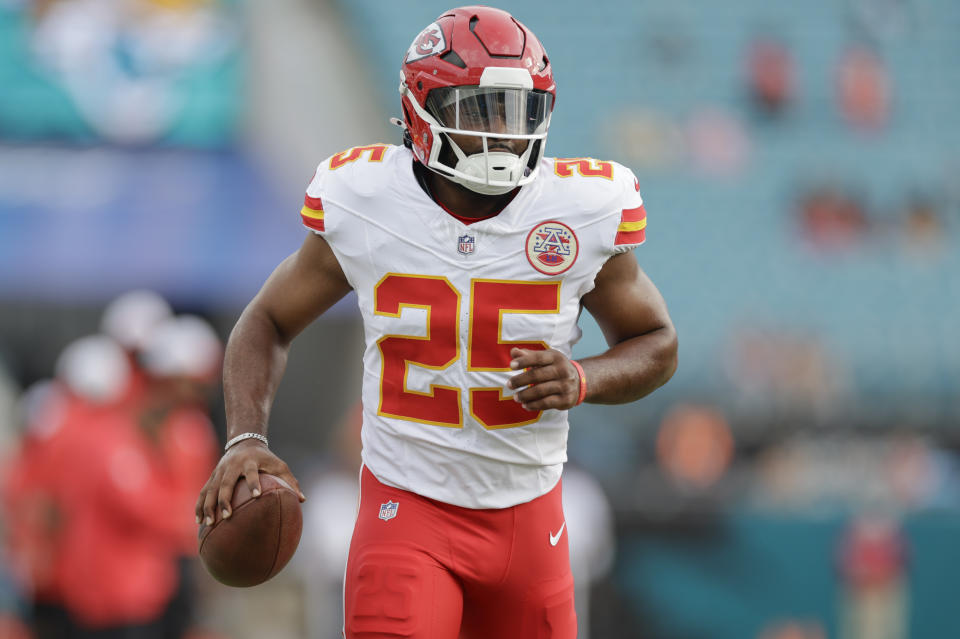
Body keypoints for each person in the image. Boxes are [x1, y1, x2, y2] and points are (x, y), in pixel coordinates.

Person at [196, 6, 678, 638]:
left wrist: (583, 378)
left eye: (517, 111)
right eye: (480, 110)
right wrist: (245, 437)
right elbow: (266, 321)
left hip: (530, 515)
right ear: (423, 109)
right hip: (408, 507)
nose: (504, 134)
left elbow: (657, 343)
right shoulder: (366, 198)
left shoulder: (581, 209)